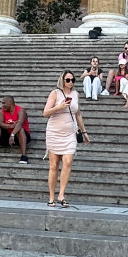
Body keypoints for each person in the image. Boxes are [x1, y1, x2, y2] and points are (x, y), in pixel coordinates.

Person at [43, 70, 89, 207]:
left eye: (73, 80)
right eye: (68, 80)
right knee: (53, 165)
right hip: (54, 132)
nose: (70, 82)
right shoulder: (55, 93)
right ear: (62, 80)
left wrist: (84, 131)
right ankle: (51, 196)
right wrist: (60, 106)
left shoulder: (75, 94)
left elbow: (78, 113)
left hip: (70, 133)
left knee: (68, 161)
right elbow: (45, 113)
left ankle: (61, 194)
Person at [0, 95, 30, 163]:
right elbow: (0, 123)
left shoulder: (20, 110)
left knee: (20, 130)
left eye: (4, 103)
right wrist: (11, 126)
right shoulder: (3, 111)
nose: (2, 105)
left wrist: (12, 135)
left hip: (20, 136)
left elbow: (19, 124)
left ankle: (24, 156)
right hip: (7, 135)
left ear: (10, 102)